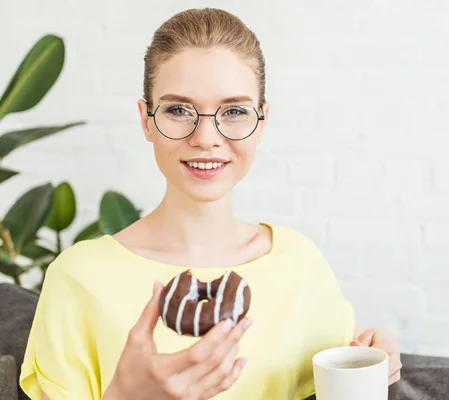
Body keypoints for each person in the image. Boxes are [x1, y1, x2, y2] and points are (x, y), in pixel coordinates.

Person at [19, 7, 401, 400]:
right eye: (178, 110)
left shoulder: (301, 265)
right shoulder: (79, 278)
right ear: (146, 119)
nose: (206, 137)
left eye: (234, 111)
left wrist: (373, 354)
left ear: (262, 120)